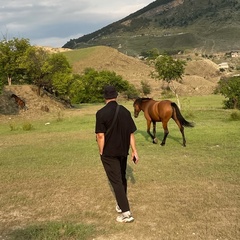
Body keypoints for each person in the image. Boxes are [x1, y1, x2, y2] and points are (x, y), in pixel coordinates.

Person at [95, 85, 139, 223]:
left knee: (116, 181)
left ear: (104, 97)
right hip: (123, 151)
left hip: (109, 152)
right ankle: (121, 205)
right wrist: (134, 151)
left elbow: (100, 136)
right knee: (121, 178)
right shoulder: (125, 111)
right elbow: (130, 133)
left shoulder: (101, 113)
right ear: (116, 96)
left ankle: (126, 213)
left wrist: (101, 151)